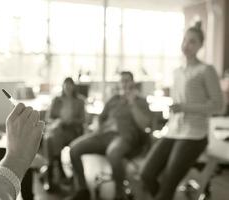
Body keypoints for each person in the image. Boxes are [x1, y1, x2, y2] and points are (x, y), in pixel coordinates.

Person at [139, 22, 224, 200]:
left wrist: (185, 107)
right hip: (174, 130)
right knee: (146, 174)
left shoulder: (206, 70)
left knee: (169, 182)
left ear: (201, 45)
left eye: (192, 41)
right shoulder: (177, 71)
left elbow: (218, 106)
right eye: (185, 40)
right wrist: (175, 107)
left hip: (195, 133)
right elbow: (180, 102)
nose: (186, 44)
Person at [66, 71, 154, 200]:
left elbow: (145, 125)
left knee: (113, 153)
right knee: (74, 149)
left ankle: (120, 194)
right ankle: (83, 189)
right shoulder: (113, 99)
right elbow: (101, 118)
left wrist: (132, 102)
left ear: (133, 83)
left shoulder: (140, 101)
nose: (124, 83)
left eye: (127, 80)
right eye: (122, 80)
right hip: (104, 135)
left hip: (125, 137)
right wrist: (100, 127)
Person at [43, 77, 85, 189]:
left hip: (72, 130)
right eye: (66, 85)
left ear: (74, 87)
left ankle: (51, 171)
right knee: (51, 138)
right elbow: (48, 118)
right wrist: (58, 121)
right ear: (63, 86)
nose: (68, 88)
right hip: (57, 128)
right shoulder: (57, 100)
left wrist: (72, 121)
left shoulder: (80, 101)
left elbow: (83, 120)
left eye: (70, 85)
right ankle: (57, 169)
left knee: (50, 139)